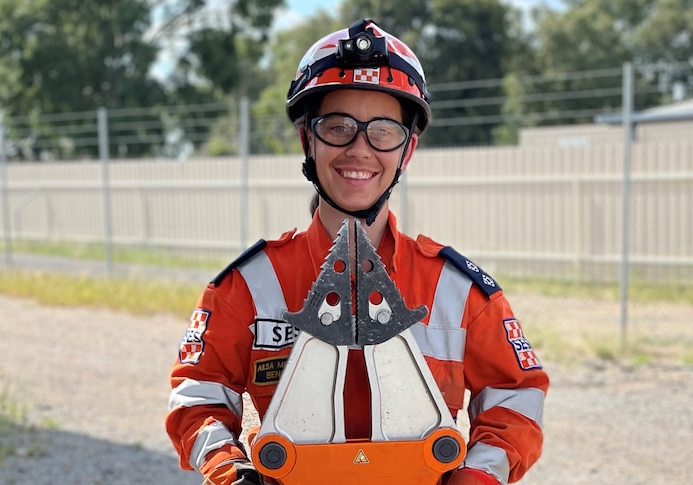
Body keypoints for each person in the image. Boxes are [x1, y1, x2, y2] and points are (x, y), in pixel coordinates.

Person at [166, 18, 549, 485]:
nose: (359, 149)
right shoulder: (248, 285)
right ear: (307, 139)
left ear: (407, 150)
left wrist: (478, 476)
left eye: (383, 131)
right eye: (338, 127)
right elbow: (198, 392)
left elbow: (515, 393)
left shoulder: (457, 291)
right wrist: (228, 467)